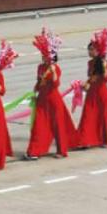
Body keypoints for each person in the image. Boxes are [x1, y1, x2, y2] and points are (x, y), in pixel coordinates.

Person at [25, 29, 78, 160]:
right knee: (38, 125)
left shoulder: (56, 69)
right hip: (42, 100)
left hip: (54, 100)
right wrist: (35, 92)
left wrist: (53, 71)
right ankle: (34, 151)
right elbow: (38, 82)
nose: (42, 57)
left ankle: (62, 150)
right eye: (42, 54)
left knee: (58, 126)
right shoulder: (40, 67)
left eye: (45, 54)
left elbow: (55, 83)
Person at [78, 29, 107, 148]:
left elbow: (104, 78)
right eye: (89, 50)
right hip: (91, 93)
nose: (89, 52)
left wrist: (102, 68)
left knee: (103, 116)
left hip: (101, 92)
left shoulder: (105, 63)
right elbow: (91, 77)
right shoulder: (90, 63)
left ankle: (104, 139)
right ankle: (85, 140)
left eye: (92, 49)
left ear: (98, 50)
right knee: (88, 116)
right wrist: (86, 85)